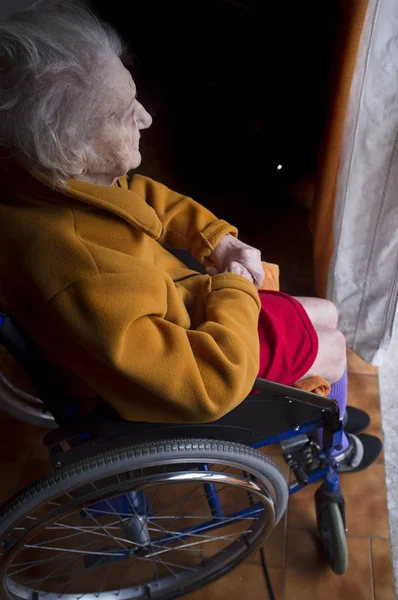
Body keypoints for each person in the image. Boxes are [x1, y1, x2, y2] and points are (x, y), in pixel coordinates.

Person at [0, 1, 381, 471]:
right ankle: (331, 449)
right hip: (186, 362)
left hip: (176, 314)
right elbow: (206, 385)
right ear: (69, 151)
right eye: (122, 114)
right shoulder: (78, 272)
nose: (146, 119)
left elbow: (132, 192)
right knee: (334, 347)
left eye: (133, 96)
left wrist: (215, 238)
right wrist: (235, 287)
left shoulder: (37, 172)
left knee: (327, 311)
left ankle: (323, 411)